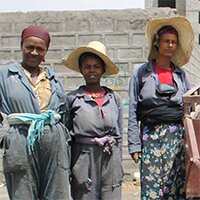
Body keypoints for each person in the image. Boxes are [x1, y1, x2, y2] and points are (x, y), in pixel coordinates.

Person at [0, 25, 71, 199]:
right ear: (21, 46)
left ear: (45, 52)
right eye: (29, 47)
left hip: (53, 142)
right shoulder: (5, 75)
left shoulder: (53, 79)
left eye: (40, 49)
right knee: (22, 192)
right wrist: (5, 135)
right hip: (19, 140)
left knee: (56, 192)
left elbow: (63, 113)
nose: (34, 52)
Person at [127, 16, 194, 199]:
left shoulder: (181, 75)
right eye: (166, 41)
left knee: (176, 187)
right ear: (157, 43)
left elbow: (189, 109)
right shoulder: (141, 73)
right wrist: (134, 144)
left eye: (173, 42)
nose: (170, 45)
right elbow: (133, 108)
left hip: (177, 140)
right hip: (150, 137)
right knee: (152, 189)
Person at [62, 41, 124, 200]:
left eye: (96, 66)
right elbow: (66, 137)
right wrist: (68, 167)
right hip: (83, 158)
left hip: (110, 158)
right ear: (81, 70)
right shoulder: (72, 99)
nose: (92, 71)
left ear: (103, 69)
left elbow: (118, 135)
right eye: (87, 66)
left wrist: (118, 164)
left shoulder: (114, 98)